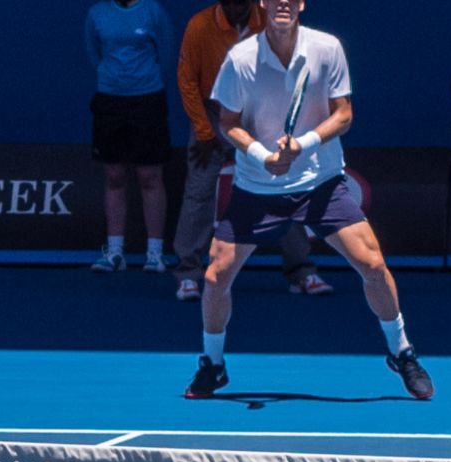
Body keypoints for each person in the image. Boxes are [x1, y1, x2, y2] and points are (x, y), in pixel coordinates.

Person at [185, 0, 434, 401]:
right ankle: (212, 365)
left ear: (300, 4)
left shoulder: (327, 48)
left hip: (320, 181)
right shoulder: (240, 58)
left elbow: (344, 114)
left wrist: (301, 144)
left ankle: (401, 351)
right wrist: (263, 157)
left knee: (372, 263)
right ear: (263, 3)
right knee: (215, 277)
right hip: (257, 186)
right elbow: (227, 123)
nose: (283, 2)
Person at [170, 0, 333, 302]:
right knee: (199, 191)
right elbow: (188, 81)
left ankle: (301, 272)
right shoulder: (199, 26)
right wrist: (206, 131)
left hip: (262, 109)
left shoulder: (271, 21)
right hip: (213, 111)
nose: (237, 5)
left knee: (286, 185)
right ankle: (188, 276)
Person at [84, 0, 178, 272]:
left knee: (150, 177)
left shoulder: (153, 12)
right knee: (114, 176)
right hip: (109, 101)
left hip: (147, 100)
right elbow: (94, 53)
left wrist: (141, 81)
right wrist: (114, 79)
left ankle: (155, 254)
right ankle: (114, 253)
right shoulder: (97, 13)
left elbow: (166, 54)